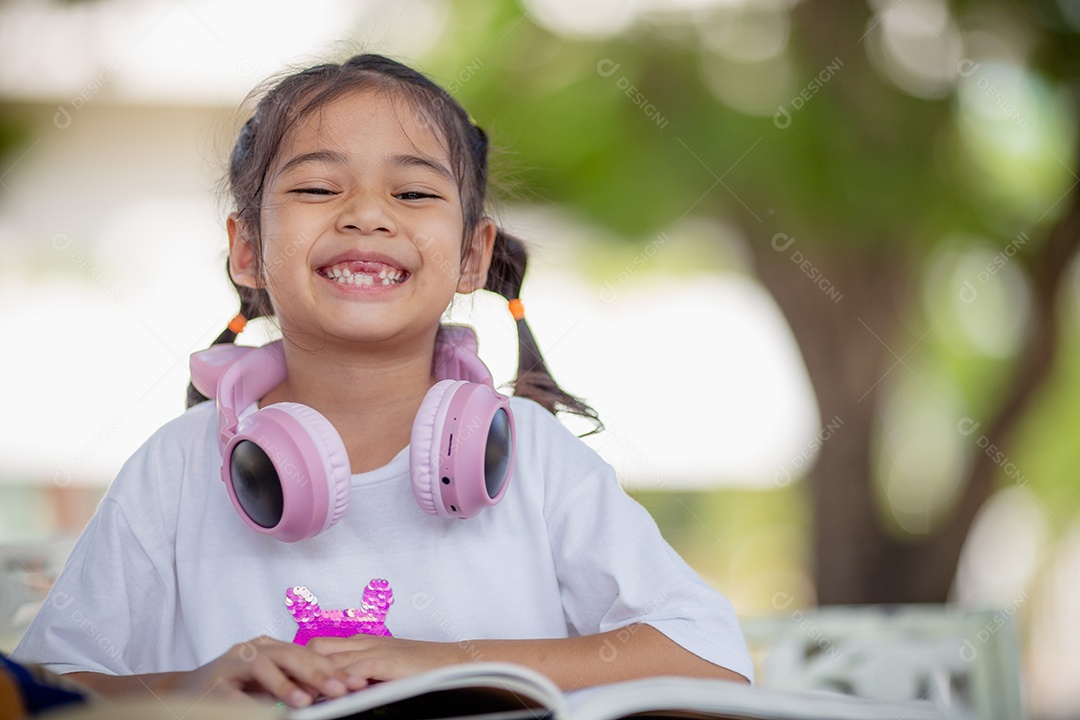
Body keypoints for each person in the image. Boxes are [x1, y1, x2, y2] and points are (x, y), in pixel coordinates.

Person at [12, 54, 752, 708]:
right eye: (317, 188)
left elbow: (709, 658)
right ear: (246, 250)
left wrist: (450, 666)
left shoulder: (542, 463)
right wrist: (189, 684)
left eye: (415, 194)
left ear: (472, 254)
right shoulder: (173, 469)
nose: (367, 214)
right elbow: (40, 687)